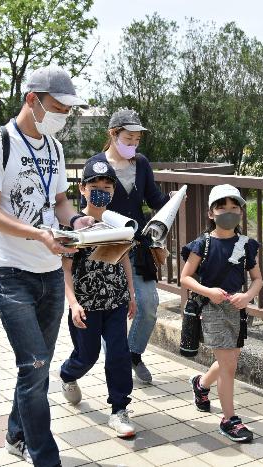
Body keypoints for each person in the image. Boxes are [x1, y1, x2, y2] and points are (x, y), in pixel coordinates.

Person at [0, 65, 92, 466]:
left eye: (67, 110)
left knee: (34, 368)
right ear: (32, 100)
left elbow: (59, 202)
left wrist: (75, 222)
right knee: (36, 363)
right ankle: (45, 456)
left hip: (50, 271)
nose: (63, 116)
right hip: (9, 271)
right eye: (57, 108)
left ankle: (15, 435)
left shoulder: (54, 149)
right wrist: (38, 234)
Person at [59, 155, 138, 438]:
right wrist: (73, 303)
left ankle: (119, 410)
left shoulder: (118, 223)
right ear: (82, 189)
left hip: (115, 302)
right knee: (87, 356)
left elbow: (124, 259)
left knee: (118, 354)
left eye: (108, 185)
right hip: (86, 306)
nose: (102, 190)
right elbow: (65, 269)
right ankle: (68, 374)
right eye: (95, 185)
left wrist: (131, 293)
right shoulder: (72, 225)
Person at [180, 184, 262, 443]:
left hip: (236, 309)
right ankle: (229, 419)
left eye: (234, 207)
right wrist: (207, 291)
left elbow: (257, 278)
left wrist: (247, 296)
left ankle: (201, 385)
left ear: (241, 211)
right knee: (229, 364)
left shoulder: (246, 244)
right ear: (211, 213)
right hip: (212, 308)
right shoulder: (202, 244)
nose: (229, 212)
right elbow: (185, 277)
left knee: (229, 360)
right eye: (222, 207)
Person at [97, 108, 171, 383]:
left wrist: (172, 201)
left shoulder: (141, 163)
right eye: (128, 139)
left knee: (149, 302)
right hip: (106, 246)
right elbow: (91, 209)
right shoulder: (98, 166)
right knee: (111, 307)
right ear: (113, 135)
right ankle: (115, 363)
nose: (133, 145)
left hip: (138, 245)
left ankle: (132, 354)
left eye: (137, 140)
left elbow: (154, 200)